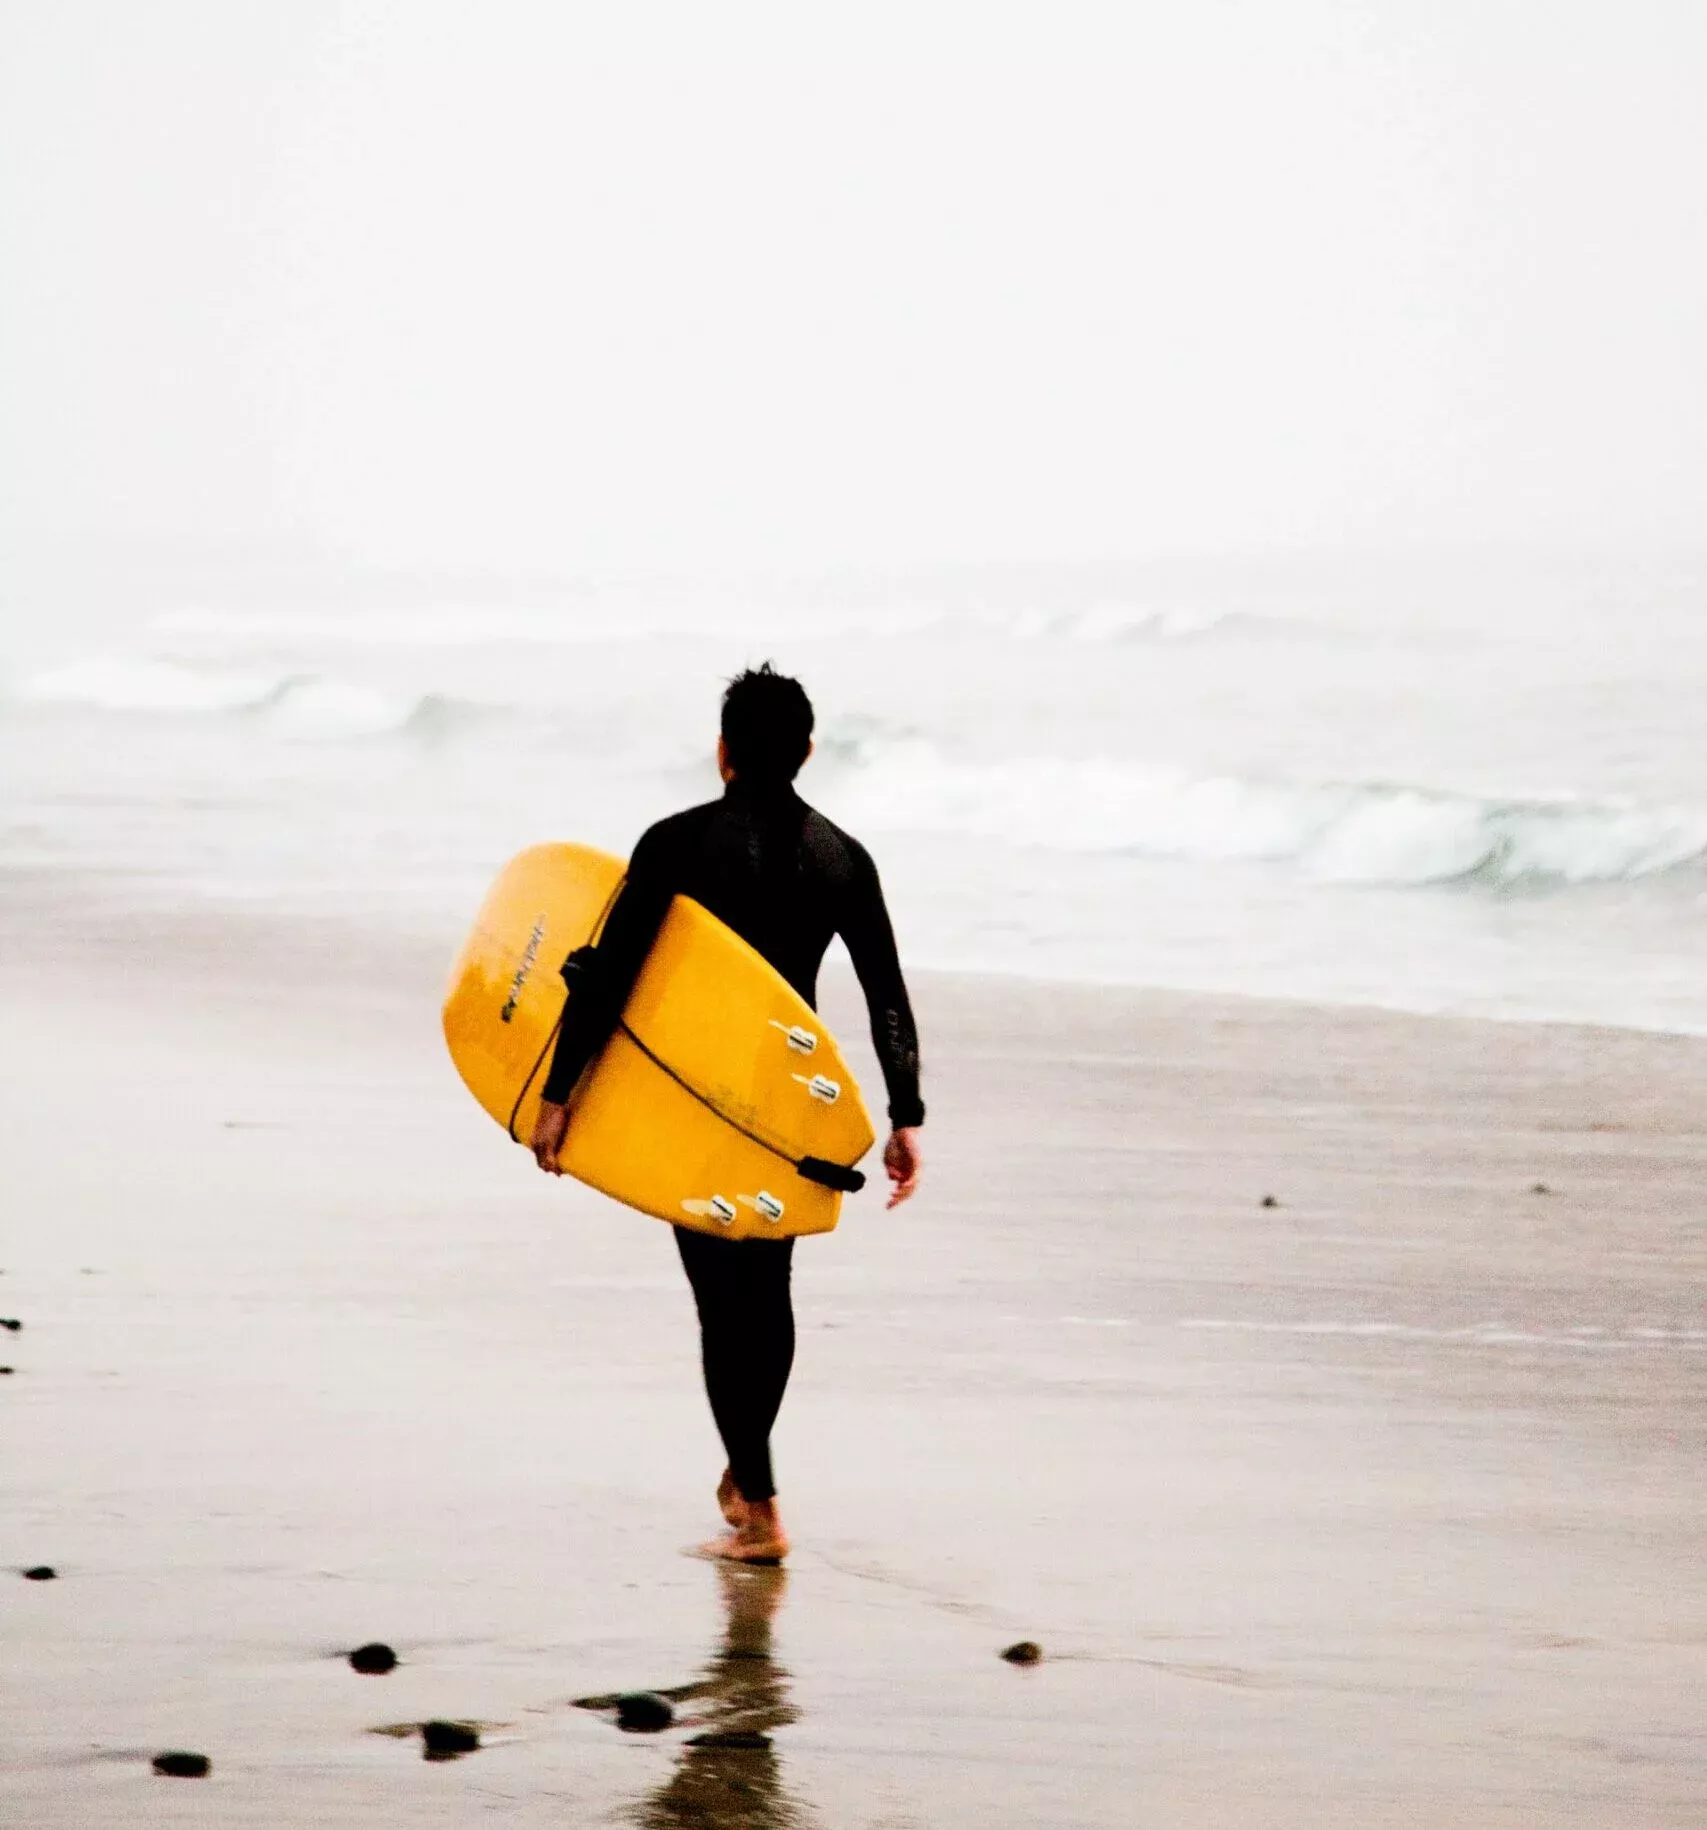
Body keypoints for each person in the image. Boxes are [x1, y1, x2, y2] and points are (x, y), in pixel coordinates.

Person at [530, 664, 925, 1563]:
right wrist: (905, 1114)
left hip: (695, 1100)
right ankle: (748, 1478)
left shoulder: (674, 844)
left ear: (723, 752)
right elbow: (885, 997)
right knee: (768, 1294)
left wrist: (558, 1095)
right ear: (807, 752)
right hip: (787, 1105)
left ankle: (760, 1507)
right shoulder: (843, 859)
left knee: (720, 1305)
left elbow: (606, 973)